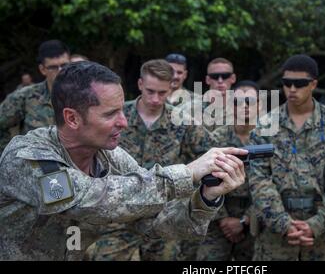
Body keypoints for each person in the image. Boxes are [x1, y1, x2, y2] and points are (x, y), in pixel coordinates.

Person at [0, 61, 247, 260]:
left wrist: (206, 196)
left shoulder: (111, 158)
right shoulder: (28, 156)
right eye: (110, 114)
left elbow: (153, 219)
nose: (124, 122)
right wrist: (187, 173)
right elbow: (85, 199)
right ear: (72, 118)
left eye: (121, 110)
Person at [88, 59, 217, 261]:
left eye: (162, 93)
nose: (156, 99)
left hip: (162, 216)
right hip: (119, 213)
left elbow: (207, 157)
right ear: (140, 84)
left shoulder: (183, 122)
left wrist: (190, 195)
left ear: (171, 87)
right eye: (150, 91)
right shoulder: (117, 117)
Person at [248, 54, 325, 261]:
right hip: (275, 234)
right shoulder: (264, 126)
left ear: (313, 84)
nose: (292, 89)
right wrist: (283, 223)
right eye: (287, 83)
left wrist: (316, 225)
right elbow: (258, 179)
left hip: (322, 234)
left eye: (300, 83)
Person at [196, 80, 260, 261]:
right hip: (218, 215)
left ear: (260, 105)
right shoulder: (215, 138)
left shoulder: (271, 140)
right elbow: (203, 179)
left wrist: (245, 220)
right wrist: (224, 220)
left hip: (257, 216)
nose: (245, 107)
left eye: (251, 101)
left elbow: (275, 184)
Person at [0, 40, 70, 152]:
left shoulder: (85, 96)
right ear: (42, 69)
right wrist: (9, 154)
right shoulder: (25, 96)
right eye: (53, 67)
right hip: (37, 164)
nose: (60, 71)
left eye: (64, 65)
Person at [202, 57, 237, 131]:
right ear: (208, 80)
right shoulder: (191, 109)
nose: (220, 81)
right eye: (215, 76)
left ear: (233, 78)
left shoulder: (242, 110)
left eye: (225, 76)